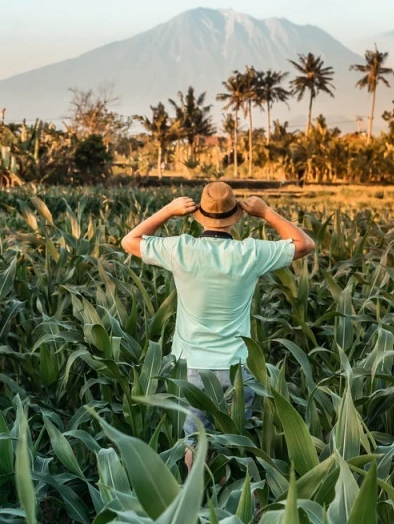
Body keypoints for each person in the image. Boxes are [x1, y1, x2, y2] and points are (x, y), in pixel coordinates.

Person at [121, 182, 315, 470]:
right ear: (235, 214)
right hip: (238, 367)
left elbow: (129, 241)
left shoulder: (181, 249)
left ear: (199, 212)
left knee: (194, 442)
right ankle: (232, 503)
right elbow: (305, 244)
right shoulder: (250, 253)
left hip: (192, 367)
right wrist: (266, 212)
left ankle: (196, 500)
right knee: (234, 443)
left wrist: (169, 211)